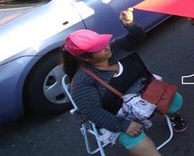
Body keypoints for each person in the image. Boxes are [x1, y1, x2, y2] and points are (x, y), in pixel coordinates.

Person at [62, 8, 187, 156]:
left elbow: (137, 37)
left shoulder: (116, 48)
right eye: (99, 48)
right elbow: (93, 112)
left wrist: (130, 23)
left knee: (175, 100)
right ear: (86, 58)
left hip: (145, 93)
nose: (106, 46)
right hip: (117, 115)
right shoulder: (81, 83)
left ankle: (174, 117)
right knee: (136, 140)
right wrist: (123, 125)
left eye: (102, 42)